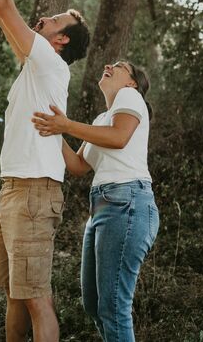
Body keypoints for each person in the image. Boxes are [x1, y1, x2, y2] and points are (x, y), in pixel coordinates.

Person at [0, 0, 90, 342]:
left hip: (34, 193)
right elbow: (4, 15)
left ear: (60, 40)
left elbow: (5, 7)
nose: (46, 17)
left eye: (56, 20)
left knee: (36, 297)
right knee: (14, 295)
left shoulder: (51, 65)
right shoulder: (35, 66)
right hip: (14, 190)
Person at [32, 60, 159, 342]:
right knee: (93, 304)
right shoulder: (102, 119)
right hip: (103, 208)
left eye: (120, 65)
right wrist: (54, 129)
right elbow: (78, 165)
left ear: (132, 82)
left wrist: (66, 124)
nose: (109, 65)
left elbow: (119, 137)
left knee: (113, 307)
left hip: (127, 203)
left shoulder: (130, 96)